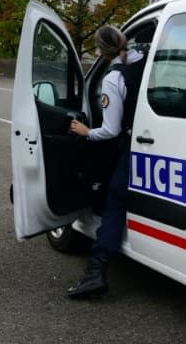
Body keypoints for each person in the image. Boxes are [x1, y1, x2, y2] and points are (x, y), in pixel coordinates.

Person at [67, 25, 146, 299]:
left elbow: (110, 129)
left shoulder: (114, 77)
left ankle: (96, 272)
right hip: (150, 141)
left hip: (130, 147)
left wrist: (87, 132)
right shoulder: (144, 62)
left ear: (101, 51)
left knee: (114, 205)